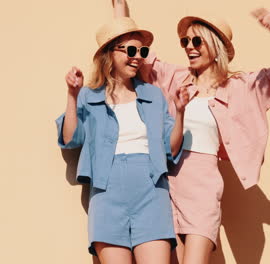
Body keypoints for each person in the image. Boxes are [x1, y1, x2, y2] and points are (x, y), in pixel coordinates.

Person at [111, 1, 270, 263]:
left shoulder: (239, 87)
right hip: (165, 183)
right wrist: (120, 9)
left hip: (203, 185)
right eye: (185, 42)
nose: (189, 47)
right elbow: (135, 53)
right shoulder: (175, 78)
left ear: (215, 46)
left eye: (197, 41)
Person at [56, 17, 189, 264]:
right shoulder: (89, 95)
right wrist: (73, 96)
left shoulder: (152, 95)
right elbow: (70, 138)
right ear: (110, 53)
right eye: (130, 50)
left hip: (151, 190)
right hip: (107, 194)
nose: (137, 57)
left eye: (142, 51)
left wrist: (180, 112)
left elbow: (170, 149)